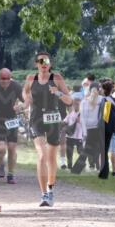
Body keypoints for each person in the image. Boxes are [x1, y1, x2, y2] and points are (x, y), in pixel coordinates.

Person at [23, 52, 74, 207]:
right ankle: (43, 194)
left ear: (50, 63)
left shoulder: (56, 78)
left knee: (51, 158)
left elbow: (69, 100)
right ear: (36, 63)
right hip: (36, 119)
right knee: (42, 156)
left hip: (53, 119)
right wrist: (23, 104)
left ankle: (50, 189)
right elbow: (26, 95)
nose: (44, 63)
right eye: (41, 61)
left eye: (46, 61)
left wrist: (57, 92)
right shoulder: (30, 78)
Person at [0, 68, 25, 184]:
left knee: (12, 148)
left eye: (7, 78)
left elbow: (26, 100)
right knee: (1, 149)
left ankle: (11, 174)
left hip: (12, 120)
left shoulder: (16, 86)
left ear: (10, 78)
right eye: (3, 78)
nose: (5, 81)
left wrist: (20, 106)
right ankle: (1, 161)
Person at [98, 80, 115, 178]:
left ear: (103, 89)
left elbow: (104, 117)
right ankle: (114, 171)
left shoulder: (103, 100)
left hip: (105, 129)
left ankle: (103, 171)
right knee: (114, 150)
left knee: (103, 151)